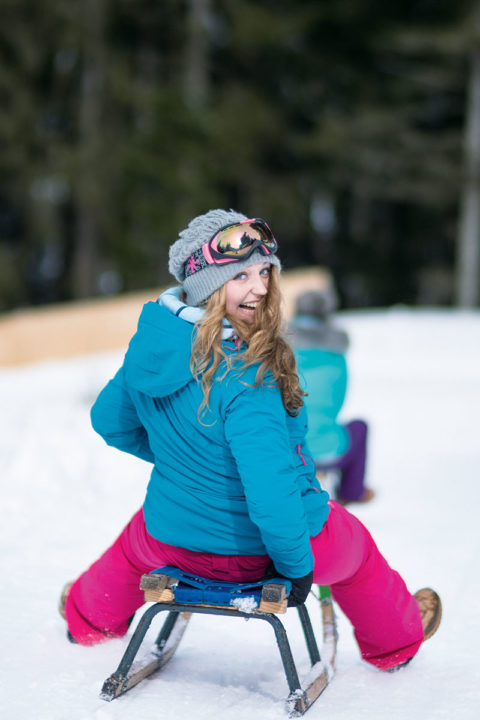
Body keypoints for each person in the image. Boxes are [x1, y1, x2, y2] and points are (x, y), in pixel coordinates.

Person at [60, 209, 441, 671]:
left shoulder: (153, 345)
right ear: (207, 285)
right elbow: (270, 491)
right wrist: (297, 567)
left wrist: (189, 466)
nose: (260, 287)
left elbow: (110, 421)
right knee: (356, 551)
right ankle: (396, 639)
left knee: (135, 543)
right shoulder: (248, 373)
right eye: (240, 275)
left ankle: (86, 615)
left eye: (264, 272)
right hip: (252, 553)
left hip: (173, 538)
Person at [290, 289, 374, 504]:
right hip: (329, 449)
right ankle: (351, 492)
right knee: (359, 427)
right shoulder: (337, 355)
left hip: (289, 448)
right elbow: (337, 402)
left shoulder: (279, 350)